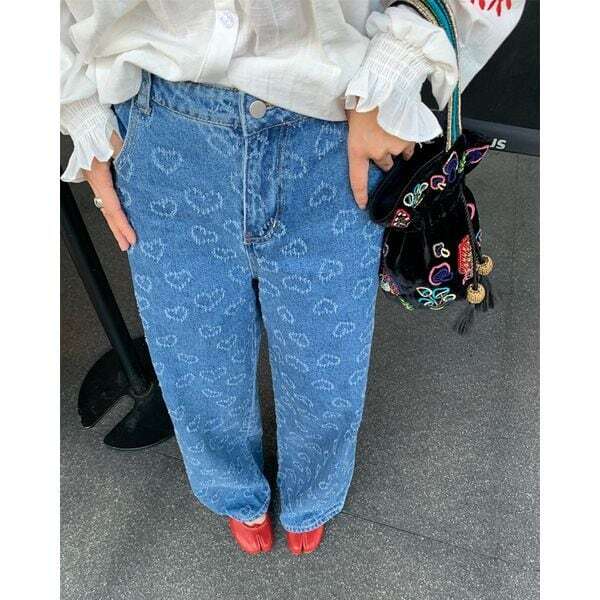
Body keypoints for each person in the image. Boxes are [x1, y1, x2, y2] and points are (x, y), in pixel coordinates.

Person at [61, 0, 524, 555]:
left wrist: (395, 66)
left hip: (329, 129)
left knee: (328, 359)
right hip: (165, 134)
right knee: (194, 357)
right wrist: (81, 113)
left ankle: (315, 491)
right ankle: (233, 490)